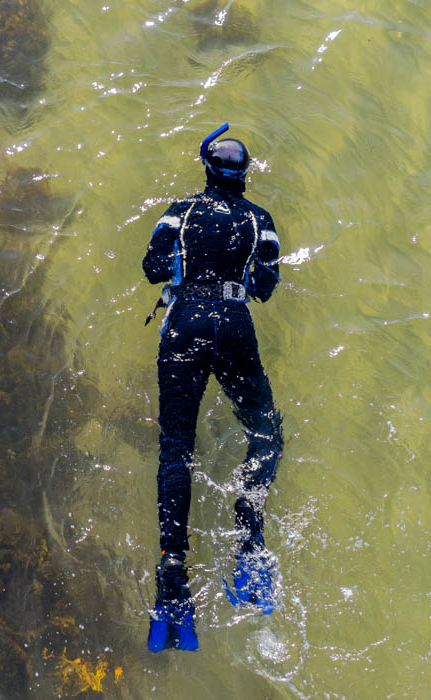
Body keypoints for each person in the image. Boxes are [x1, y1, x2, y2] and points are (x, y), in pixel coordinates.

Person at [141, 123, 284, 653]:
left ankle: (173, 568)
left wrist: (181, 267)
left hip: (185, 323)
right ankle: (248, 540)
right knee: (267, 437)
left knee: (177, 449)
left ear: (206, 170)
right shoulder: (260, 221)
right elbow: (265, 289)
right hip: (233, 326)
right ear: (244, 177)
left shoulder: (178, 213)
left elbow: (153, 268)